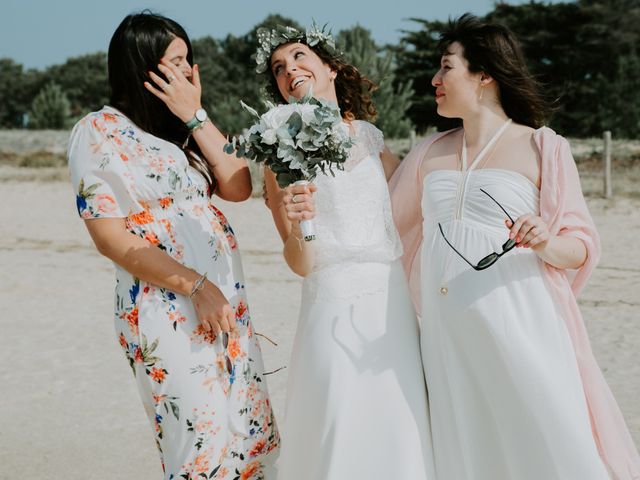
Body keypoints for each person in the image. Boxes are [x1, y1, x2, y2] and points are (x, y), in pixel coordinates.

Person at [390, 13, 640, 480]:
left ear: (484, 74)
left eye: (447, 67)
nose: (435, 79)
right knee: (468, 452)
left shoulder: (543, 146)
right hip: (448, 337)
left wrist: (547, 242)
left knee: (549, 442)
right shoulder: (428, 152)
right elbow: (386, 226)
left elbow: (582, 247)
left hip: (522, 323)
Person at [67, 12, 279, 479]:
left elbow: (238, 186)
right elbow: (110, 237)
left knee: (246, 436)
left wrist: (195, 114)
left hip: (224, 300)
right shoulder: (98, 130)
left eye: (189, 60)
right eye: (176, 61)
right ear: (143, 66)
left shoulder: (181, 131)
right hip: (166, 303)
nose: (187, 71)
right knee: (200, 446)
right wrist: (196, 285)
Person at [259, 24, 436, 480]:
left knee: (396, 417)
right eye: (278, 68)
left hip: (388, 298)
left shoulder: (371, 139)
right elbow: (298, 262)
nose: (289, 70)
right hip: (330, 296)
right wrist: (299, 229)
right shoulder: (278, 150)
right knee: (337, 415)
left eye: (299, 57)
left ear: (331, 68)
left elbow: (418, 207)